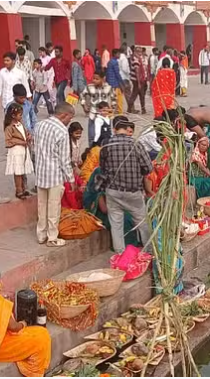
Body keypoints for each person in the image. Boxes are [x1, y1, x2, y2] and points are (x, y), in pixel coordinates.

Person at [98, 117, 153, 253]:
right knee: (142, 223)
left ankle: (120, 255)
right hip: (133, 192)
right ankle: (149, 252)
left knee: (116, 225)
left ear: (114, 129)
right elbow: (148, 168)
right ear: (127, 128)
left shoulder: (106, 144)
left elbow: (103, 169)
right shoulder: (136, 144)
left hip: (113, 192)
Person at [35, 103, 76, 247]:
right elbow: (65, 159)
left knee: (42, 206)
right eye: (69, 119)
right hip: (54, 175)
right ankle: (52, 237)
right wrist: (70, 179)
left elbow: (35, 149)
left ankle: (41, 234)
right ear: (64, 115)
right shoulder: (62, 131)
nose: (69, 122)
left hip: (40, 173)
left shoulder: (39, 125)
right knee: (54, 207)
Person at [4, 103, 34, 200]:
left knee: (22, 171)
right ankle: (19, 190)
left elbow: (25, 133)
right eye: (20, 115)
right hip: (16, 151)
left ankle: (23, 188)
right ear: (13, 116)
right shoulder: (9, 127)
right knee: (18, 172)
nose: (21, 116)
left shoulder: (21, 124)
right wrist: (20, 142)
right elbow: (8, 142)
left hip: (23, 150)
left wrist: (28, 136)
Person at [81, 72, 116, 146]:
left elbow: (114, 98)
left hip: (105, 116)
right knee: (91, 137)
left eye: (97, 79)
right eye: (93, 78)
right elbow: (82, 95)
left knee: (106, 136)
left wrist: (112, 109)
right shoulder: (89, 87)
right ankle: (91, 153)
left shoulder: (108, 88)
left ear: (103, 79)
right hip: (93, 115)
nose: (94, 80)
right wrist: (84, 106)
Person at [128, 47, 148, 114]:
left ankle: (143, 109)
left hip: (142, 79)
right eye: (138, 52)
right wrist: (139, 83)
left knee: (141, 94)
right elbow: (137, 72)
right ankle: (130, 108)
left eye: (141, 52)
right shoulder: (135, 60)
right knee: (135, 94)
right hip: (137, 80)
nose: (140, 53)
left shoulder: (140, 59)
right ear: (135, 52)